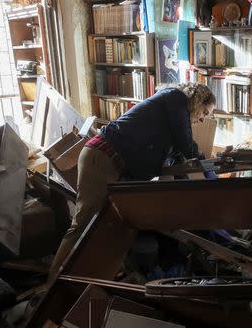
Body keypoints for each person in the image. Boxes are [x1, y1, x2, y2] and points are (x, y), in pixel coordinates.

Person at [50, 83, 217, 275]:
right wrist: (208, 164)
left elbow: (177, 156)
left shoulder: (171, 117)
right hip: (102, 157)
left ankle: (95, 277)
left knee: (116, 226)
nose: (203, 119)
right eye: (205, 111)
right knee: (83, 224)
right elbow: (187, 145)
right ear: (196, 101)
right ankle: (52, 284)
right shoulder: (176, 98)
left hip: (115, 165)